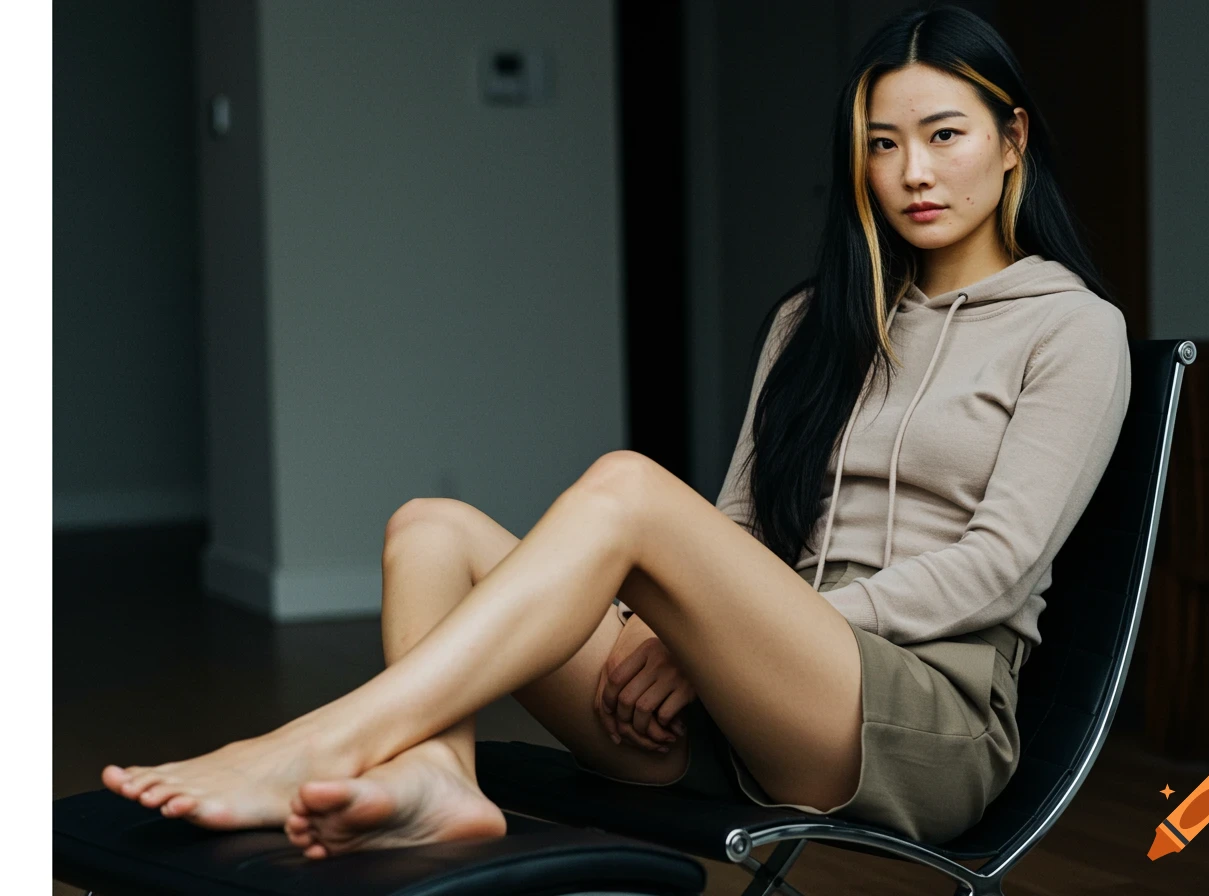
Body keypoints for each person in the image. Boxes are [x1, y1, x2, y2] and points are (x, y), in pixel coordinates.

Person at [100, 3, 1130, 855]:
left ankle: (323, 738)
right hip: (747, 709)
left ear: (1011, 140)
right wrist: (687, 637)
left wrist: (728, 630)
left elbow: (995, 566)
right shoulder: (812, 320)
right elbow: (733, 522)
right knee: (431, 527)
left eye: (943, 133)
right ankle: (435, 775)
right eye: (880, 143)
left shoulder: (1071, 328)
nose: (912, 170)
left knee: (630, 488)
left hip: (916, 724)